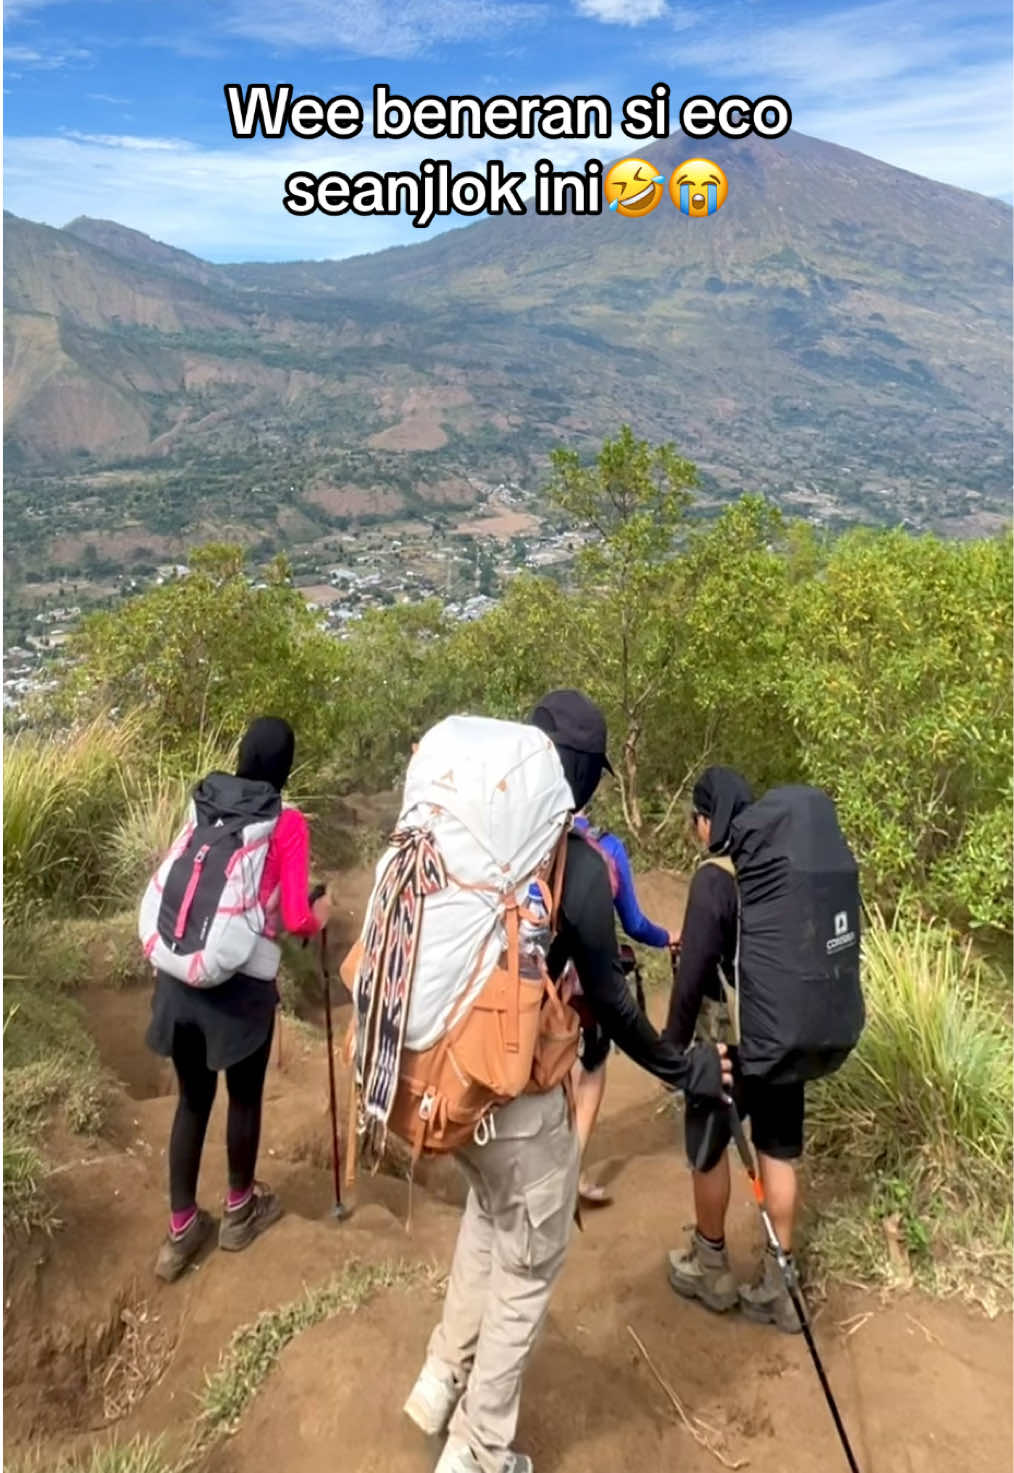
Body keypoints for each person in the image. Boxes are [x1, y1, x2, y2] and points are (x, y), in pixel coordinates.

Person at [404, 691, 732, 1473]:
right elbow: (614, 1003)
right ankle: (479, 1450)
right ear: (583, 778)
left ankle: (439, 1374)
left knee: (488, 1217)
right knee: (528, 1261)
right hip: (516, 1097)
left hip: (447, 1080)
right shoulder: (573, 860)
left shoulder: (465, 832)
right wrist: (682, 1065)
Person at [146, 717, 331, 1283]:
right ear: (285, 766)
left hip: (179, 971)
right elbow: (296, 915)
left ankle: (180, 1233)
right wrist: (318, 918)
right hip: (239, 986)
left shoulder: (205, 800)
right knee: (243, 1098)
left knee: (192, 1101)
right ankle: (239, 1212)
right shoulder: (287, 822)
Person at [663, 765, 805, 1334]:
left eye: (695, 820)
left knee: (709, 1147)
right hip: (785, 1037)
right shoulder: (783, 868)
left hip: (729, 1045)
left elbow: (693, 971)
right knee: (778, 1150)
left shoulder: (714, 878)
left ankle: (711, 1265)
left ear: (707, 819)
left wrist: (670, 1051)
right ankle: (779, 1284)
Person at [570, 810, 675, 1205]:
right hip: (591, 981)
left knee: (547, 1069)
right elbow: (633, 923)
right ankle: (572, 1172)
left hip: (541, 977)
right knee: (593, 1068)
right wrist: (667, 937)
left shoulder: (534, 834)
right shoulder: (607, 846)